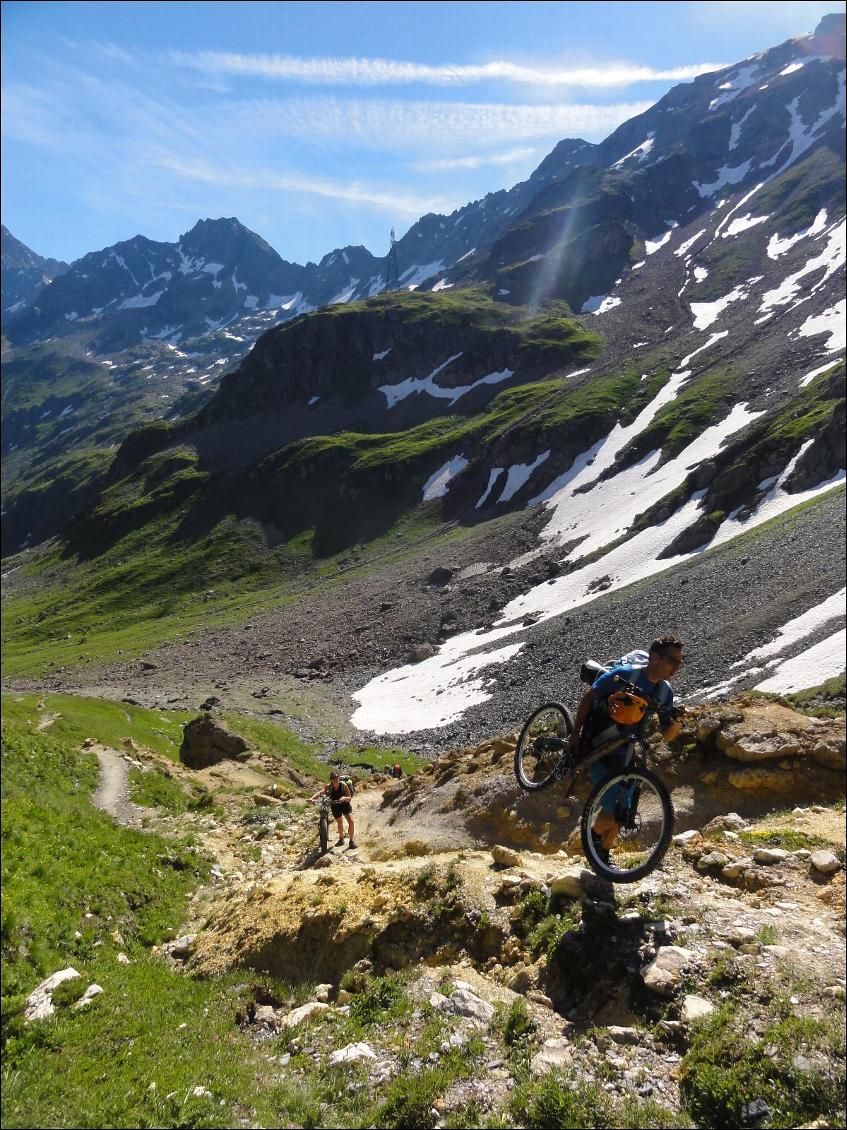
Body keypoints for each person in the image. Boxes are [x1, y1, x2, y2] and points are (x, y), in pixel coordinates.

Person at [568, 636, 686, 860]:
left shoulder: (664, 692)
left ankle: (602, 854)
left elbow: (667, 734)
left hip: (626, 750)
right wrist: (575, 735)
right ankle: (592, 836)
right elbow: (589, 698)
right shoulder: (625, 674)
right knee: (614, 805)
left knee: (625, 808)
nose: (676, 667)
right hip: (598, 743)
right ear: (654, 657)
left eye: (680, 663)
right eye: (672, 661)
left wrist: (677, 720)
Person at [310, 771, 357, 849]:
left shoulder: (343, 785)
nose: (335, 779)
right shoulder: (329, 786)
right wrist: (312, 799)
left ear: (338, 778)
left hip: (345, 804)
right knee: (339, 822)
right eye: (333, 778)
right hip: (335, 805)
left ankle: (351, 841)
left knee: (351, 821)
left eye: (336, 777)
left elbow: (349, 797)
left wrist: (344, 798)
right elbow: (320, 793)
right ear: (330, 779)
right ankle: (341, 839)